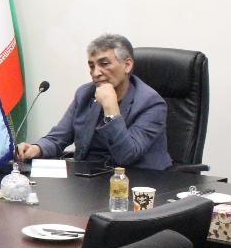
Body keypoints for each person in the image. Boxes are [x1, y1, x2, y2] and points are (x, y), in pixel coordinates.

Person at [16, 34, 172, 170]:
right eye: (91, 66)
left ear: (127, 65)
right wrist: (37, 148)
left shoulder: (151, 103)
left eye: (104, 64)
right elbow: (58, 138)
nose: (95, 73)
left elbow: (127, 156)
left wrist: (111, 110)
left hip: (137, 181)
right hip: (89, 178)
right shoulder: (85, 94)